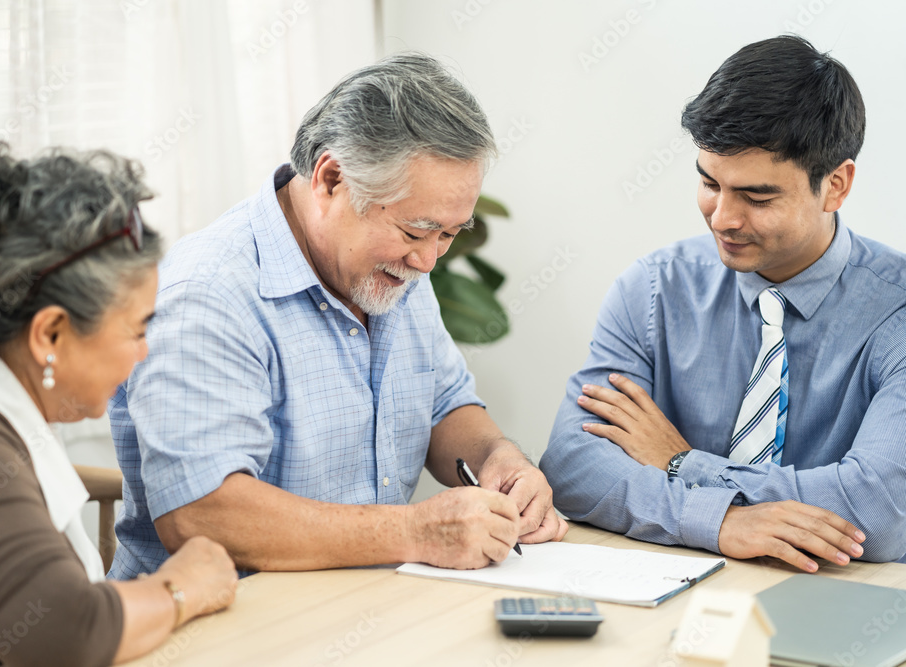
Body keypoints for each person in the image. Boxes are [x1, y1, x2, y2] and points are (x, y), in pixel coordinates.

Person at [109, 52, 568, 580]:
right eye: (415, 231)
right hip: (219, 633)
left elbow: (444, 406)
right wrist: (416, 532)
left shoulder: (394, 269)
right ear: (330, 180)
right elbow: (202, 514)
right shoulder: (209, 292)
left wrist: (499, 459)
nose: (428, 260)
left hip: (365, 611)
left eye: (449, 234)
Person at [542, 35, 906, 572]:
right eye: (710, 183)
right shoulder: (652, 290)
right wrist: (720, 522)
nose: (721, 218)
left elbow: (879, 513)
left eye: (757, 198)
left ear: (835, 185)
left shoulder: (895, 313)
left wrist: (681, 463)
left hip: (838, 607)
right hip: (671, 594)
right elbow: (573, 466)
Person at [0, 140, 238, 667]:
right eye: (136, 329)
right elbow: (59, 633)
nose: (144, 351)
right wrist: (181, 585)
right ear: (51, 335)